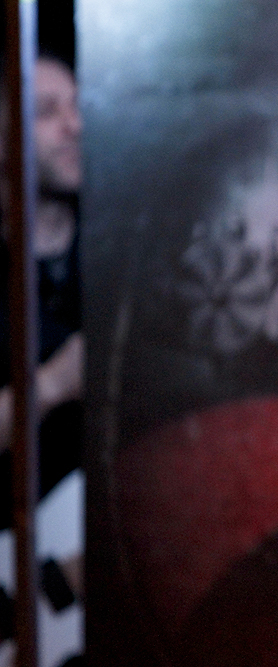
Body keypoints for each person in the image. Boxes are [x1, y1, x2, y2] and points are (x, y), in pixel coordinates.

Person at [0, 52, 84, 587]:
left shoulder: (113, 246)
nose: (74, 125)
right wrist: (53, 383)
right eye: (47, 111)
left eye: (77, 105)